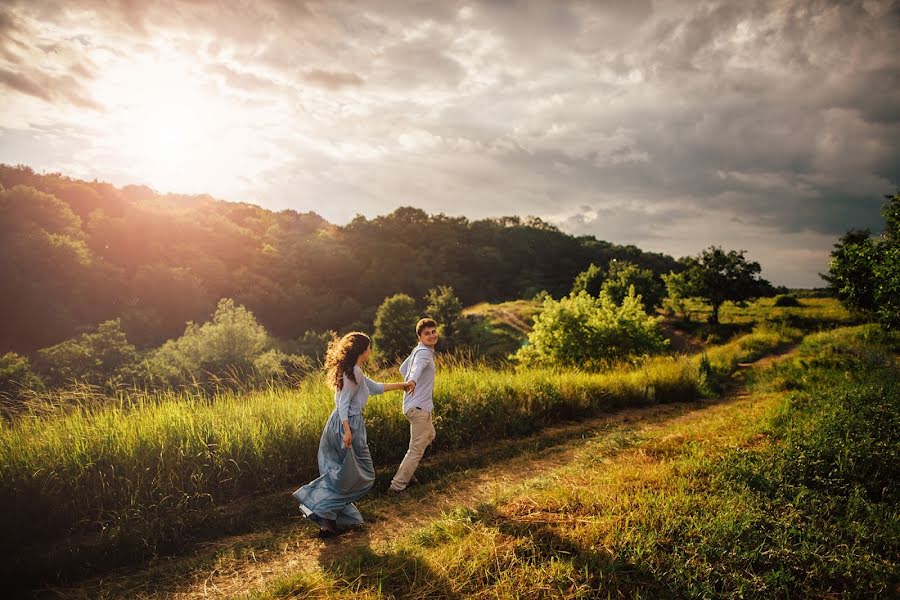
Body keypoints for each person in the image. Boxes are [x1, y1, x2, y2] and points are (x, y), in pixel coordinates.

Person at [292, 332, 411, 536]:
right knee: (366, 476)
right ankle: (321, 507)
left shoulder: (352, 371)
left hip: (337, 423)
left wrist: (403, 386)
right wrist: (347, 432)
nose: (371, 352)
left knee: (341, 475)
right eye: (369, 348)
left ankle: (327, 522)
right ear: (363, 350)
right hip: (348, 425)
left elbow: (374, 388)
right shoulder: (354, 371)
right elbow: (343, 403)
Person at [389, 318, 439, 494]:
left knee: (430, 434)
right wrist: (412, 380)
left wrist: (411, 378)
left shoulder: (418, 350)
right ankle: (397, 487)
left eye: (433, 331)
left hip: (414, 406)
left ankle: (408, 473)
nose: (432, 335)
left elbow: (404, 368)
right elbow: (415, 369)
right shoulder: (424, 353)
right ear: (420, 337)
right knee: (416, 450)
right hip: (419, 408)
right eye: (427, 333)